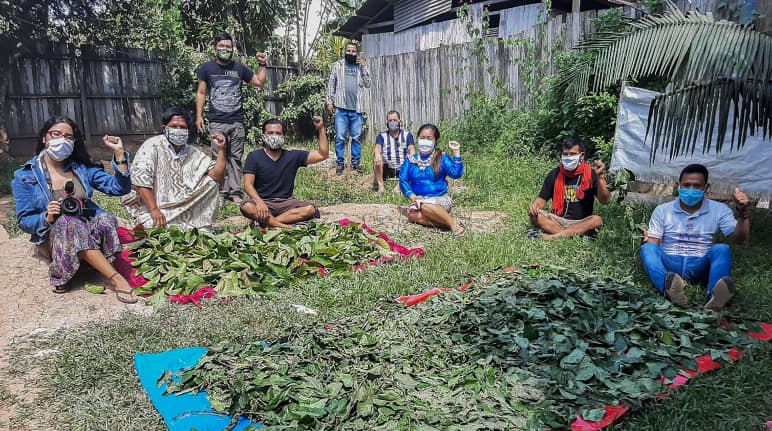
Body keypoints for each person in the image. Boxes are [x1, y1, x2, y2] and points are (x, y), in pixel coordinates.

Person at [11, 116, 137, 303]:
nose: (62, 139)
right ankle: (115, 278)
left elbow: (119, 188)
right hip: (56, 236)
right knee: (70, 223)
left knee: (106, 219)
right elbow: (24, 221)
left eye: (68, 137)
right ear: (45, 137)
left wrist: (119, 154)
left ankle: (91, 263)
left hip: (87, 230)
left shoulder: (82, 169)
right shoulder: (25, 176)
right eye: (56, 134)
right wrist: (47, 217)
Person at [641, 164, 750, 311]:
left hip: (700, 265)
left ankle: (715, 297)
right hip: (670, 266)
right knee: (648, 248)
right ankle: (668, 289)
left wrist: (743, 213)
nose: (691, 190)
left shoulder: (719, 210)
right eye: (686, 185)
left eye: (697, 186)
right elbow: (654, 243)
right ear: (678, 186)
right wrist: (648, 242)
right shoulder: (662, 210)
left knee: (722, 249)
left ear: (706, 188)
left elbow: (739, 239)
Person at [121, 108, 227, 231]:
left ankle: (197, 223)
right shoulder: (152, 146)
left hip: (183, 207)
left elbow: (216, 176)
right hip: (154, 206)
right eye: (174, 126)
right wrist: (154, 210)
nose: (178, 130)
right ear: (164, 128)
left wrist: (221, 150)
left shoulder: (192, 152)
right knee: (151, 226)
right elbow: (141, 182)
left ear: (188, 131)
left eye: (182, 127)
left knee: (211, 183)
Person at [196, 32, 267, 203]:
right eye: (222, 46)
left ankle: (235, 192)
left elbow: (259, 82)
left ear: (232, 48)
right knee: (218, 157)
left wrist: (262, 64)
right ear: (215, 48)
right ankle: (220, 191)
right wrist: (199, 116)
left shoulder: (239, 69)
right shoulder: (206, 68)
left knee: (235, 157)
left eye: (228, 46)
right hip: (216, 121)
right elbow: (201, 92)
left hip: (236, 120)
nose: (225, 49)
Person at [240, 117, 329, 228]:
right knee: (247, 206)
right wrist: (259, 202)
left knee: (310, 209)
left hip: (286, 203)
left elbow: (323, 154)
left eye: (278, 133)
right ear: (263, 136)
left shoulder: (293, 156)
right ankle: (286, 227)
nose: (274, 136)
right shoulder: (254, 156)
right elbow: (248, 185)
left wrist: (320, 128)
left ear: (283, 137)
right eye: (270, 133)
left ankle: (270, 223)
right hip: (263, 201)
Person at [527, 137, 611, 240]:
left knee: (597, 220)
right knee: (535, 216)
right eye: (565, 154)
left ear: (582, 156)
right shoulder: (554, 174)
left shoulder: (591, 174)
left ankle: (551, 237)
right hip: (557, 220)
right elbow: (541, 200)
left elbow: (605, 201)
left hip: (581, 222)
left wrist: (601, 177)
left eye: (572, 154)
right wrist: (534, 207)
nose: (568, 157)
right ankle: (574, 236)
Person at [399, 124, 465, 234]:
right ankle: (448, 222)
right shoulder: (410, 160)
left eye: (429, 138)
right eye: (422, 138)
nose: (425, 141)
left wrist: (456, 152)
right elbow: (403, 180)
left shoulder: (442, 158)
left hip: (439, 199)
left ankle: (454, 227)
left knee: (424, 206)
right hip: (419, 199)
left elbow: (456, 173)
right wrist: (413, 196)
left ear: (435, 141)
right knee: (412, 215)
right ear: (418, 139)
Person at [326, 42, 371, 175]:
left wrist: (364, 67)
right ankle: (340, 162)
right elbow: (331, 84)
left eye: (353, 51)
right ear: (344, 52)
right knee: (340, 137)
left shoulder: (360, 67)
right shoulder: (338, 65)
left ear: (357, 53)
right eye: (348, 50)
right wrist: (329, 101)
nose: (351, 53)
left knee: (356, 137)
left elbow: (368, 84)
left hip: (357, 109)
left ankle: (356, 163)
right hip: (341, 108)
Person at [373, 110, 415, 193]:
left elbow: (411, 148)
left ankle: (399, 187)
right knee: (377, 158)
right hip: (387, 167)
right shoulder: (382, 136)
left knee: (412, 160)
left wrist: (412, 155)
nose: (392, 122)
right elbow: (377, 147)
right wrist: (377, 154)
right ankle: (381, 188)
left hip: (403, 167)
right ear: (387, 122)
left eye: (395, 120)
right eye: (390, 120)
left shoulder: (407, 135)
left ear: (399, 121)